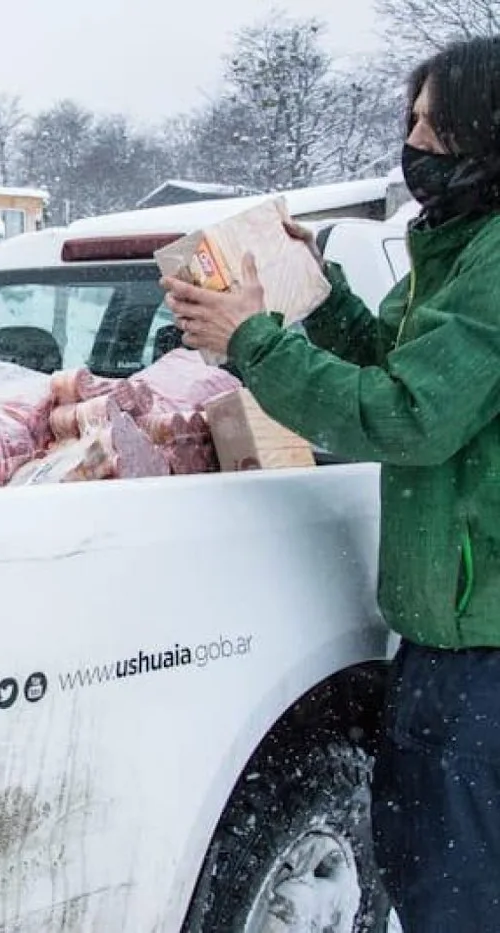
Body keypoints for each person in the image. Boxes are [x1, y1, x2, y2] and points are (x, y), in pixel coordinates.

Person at [162, 35, 500, 931]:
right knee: (431, 861)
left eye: (438, 123)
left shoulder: (496, 264)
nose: (417, 142)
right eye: (412, 120)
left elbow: (408, 416)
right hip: (451, 635)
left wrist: (251, 343)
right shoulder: (456, 249)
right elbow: (396, 358)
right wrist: (315, 288)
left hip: (485, 645)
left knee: (454, 886)